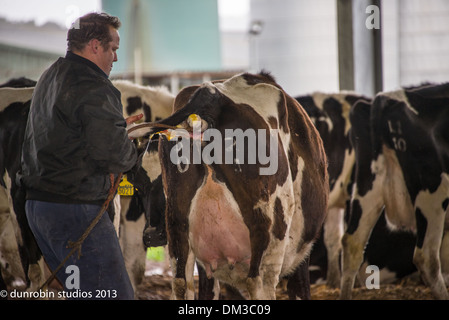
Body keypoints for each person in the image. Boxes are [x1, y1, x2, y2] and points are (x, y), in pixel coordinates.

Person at [19, 12, 142, 300]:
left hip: (38, 208)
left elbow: (64, 137)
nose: (114, 58)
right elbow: (116, 156)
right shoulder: (94, 86)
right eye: (113, 49)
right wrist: (125, 141)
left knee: (81, 293)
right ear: (95, 46)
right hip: (75, 209)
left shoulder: (50, 76)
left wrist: (112, 130)